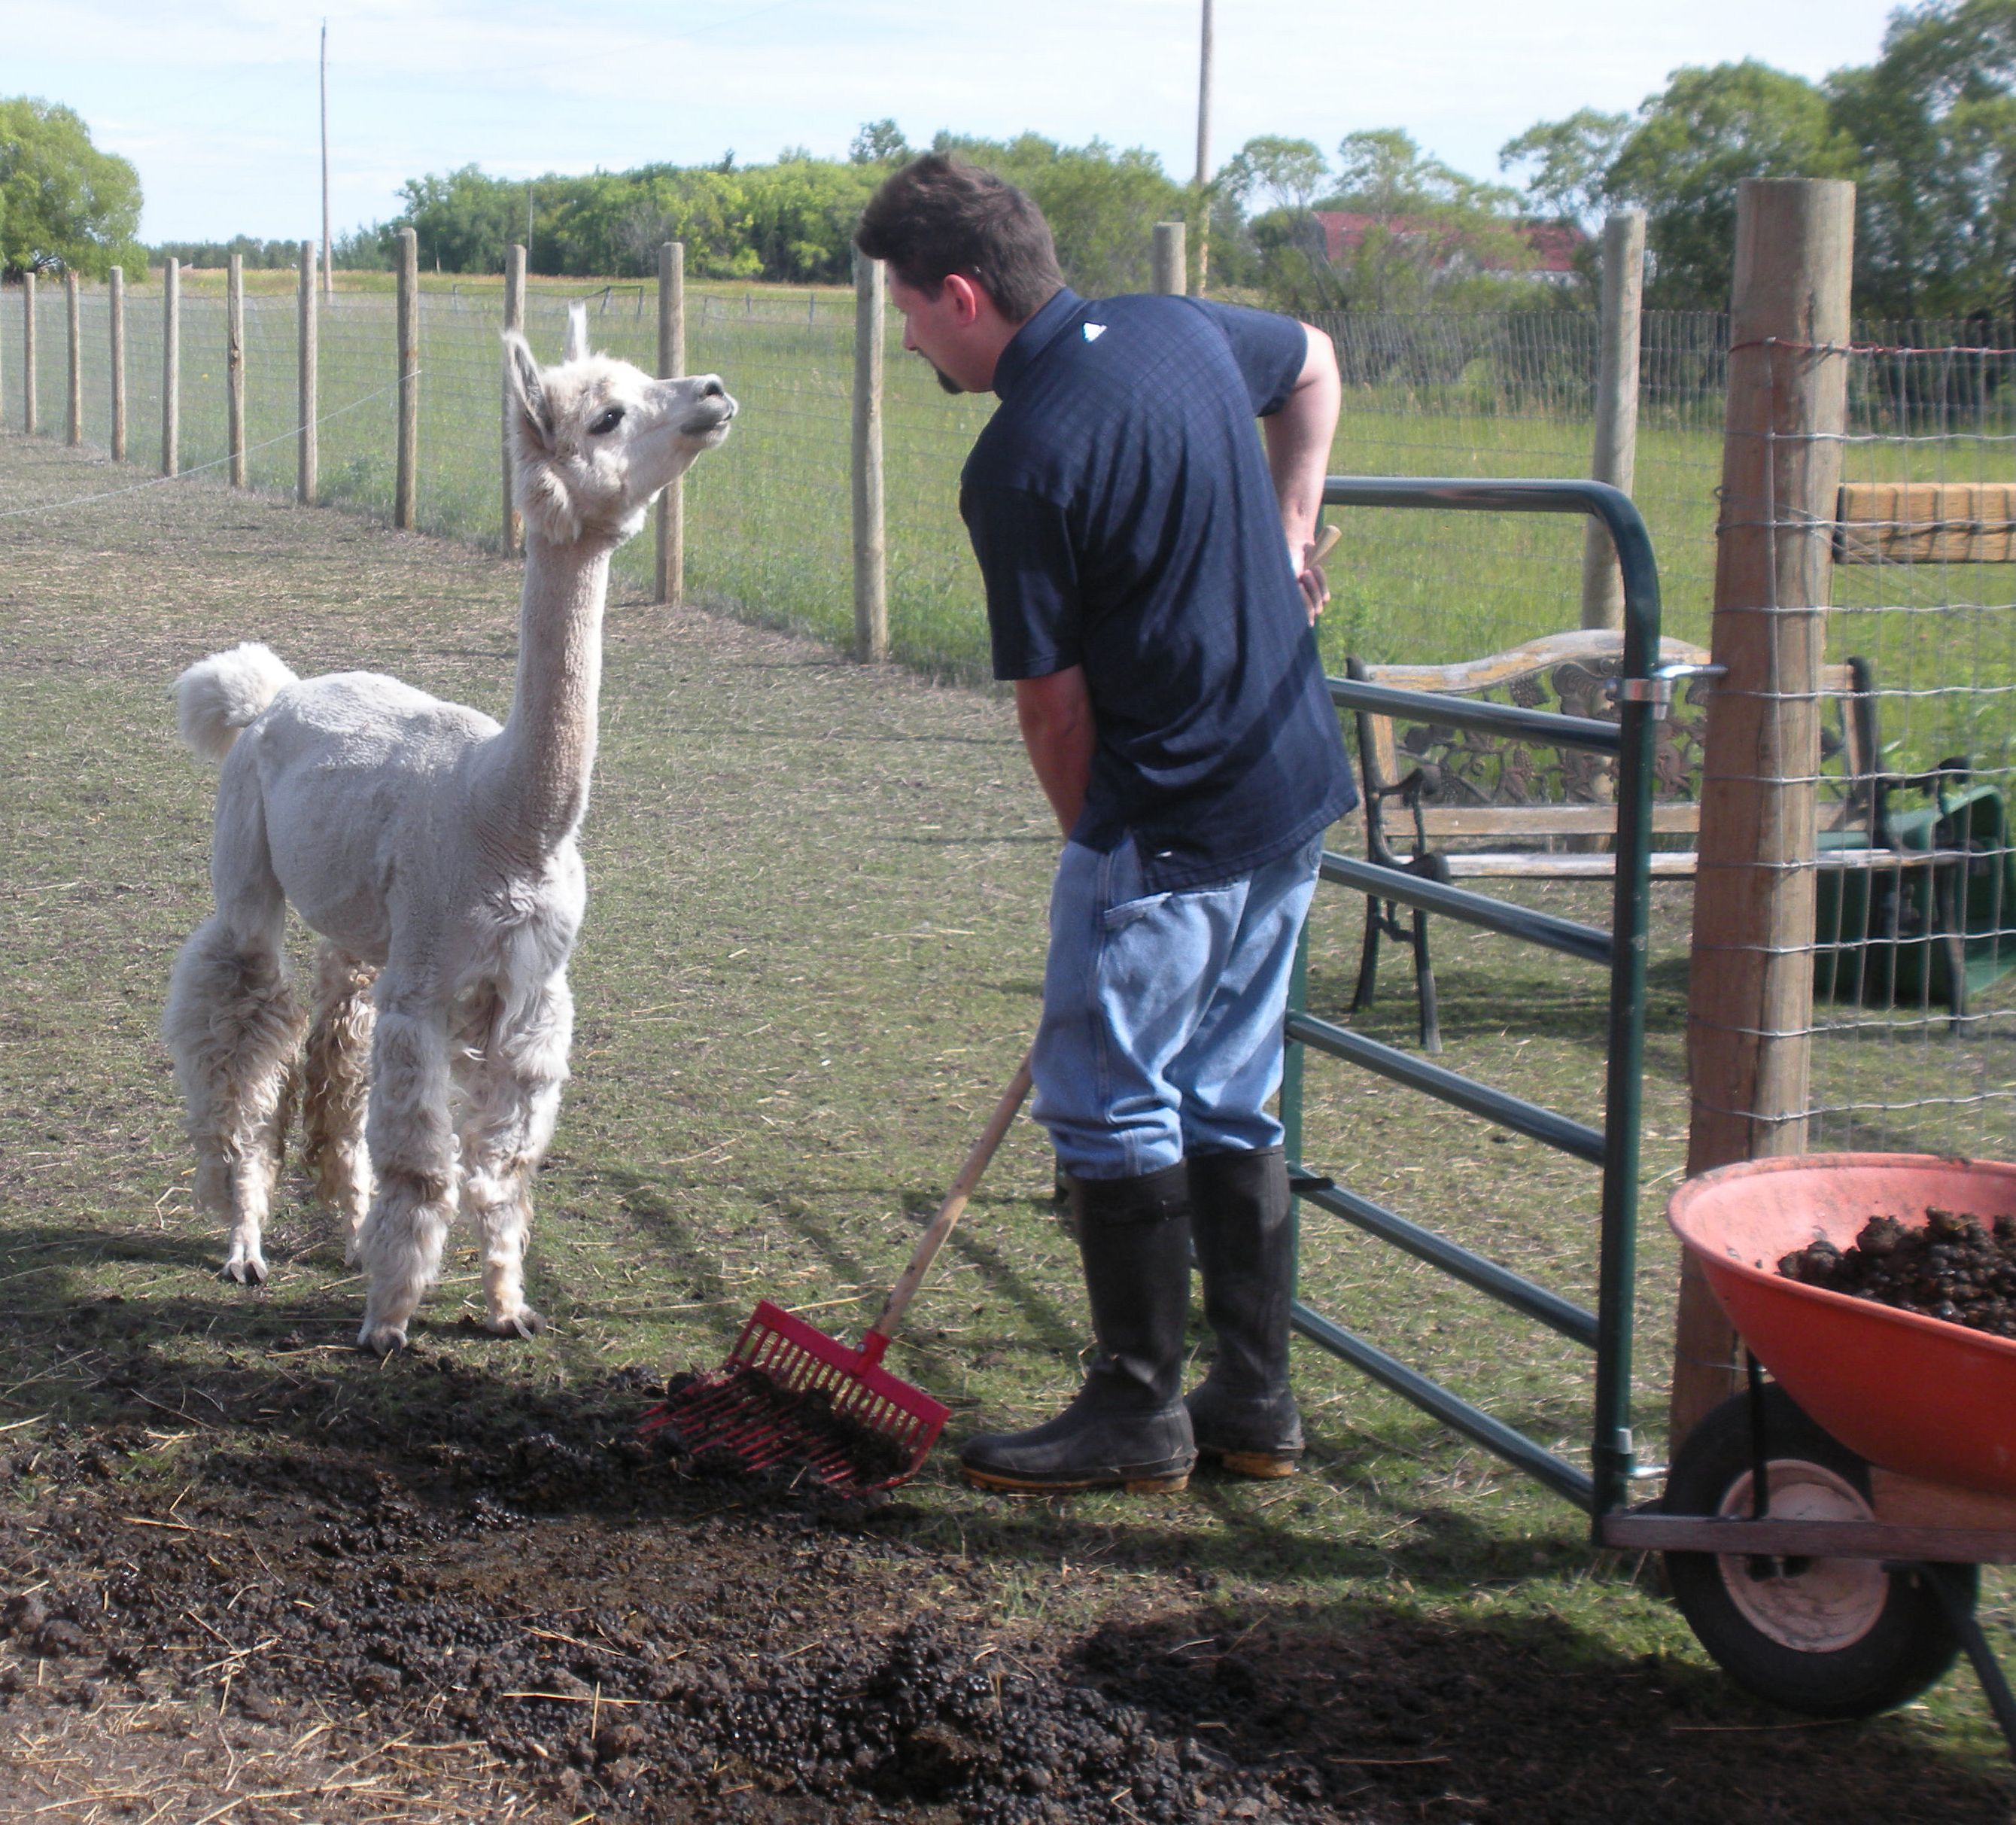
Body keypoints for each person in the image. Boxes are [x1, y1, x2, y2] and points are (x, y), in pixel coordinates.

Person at [855, 155, 1354, 1495]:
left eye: (905, 308)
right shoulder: (1174, 324)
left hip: (1174, 814)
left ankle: (1139, 1408)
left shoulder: (1021, 460)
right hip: (1292, 781)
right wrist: (1294, 515)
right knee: (1230, 1086)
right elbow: (1313, 361)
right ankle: (1253, 1396)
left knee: (1111, 1099)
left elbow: (1053, 713)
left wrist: (1103, 860)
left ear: (961, 294)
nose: (903, 334)